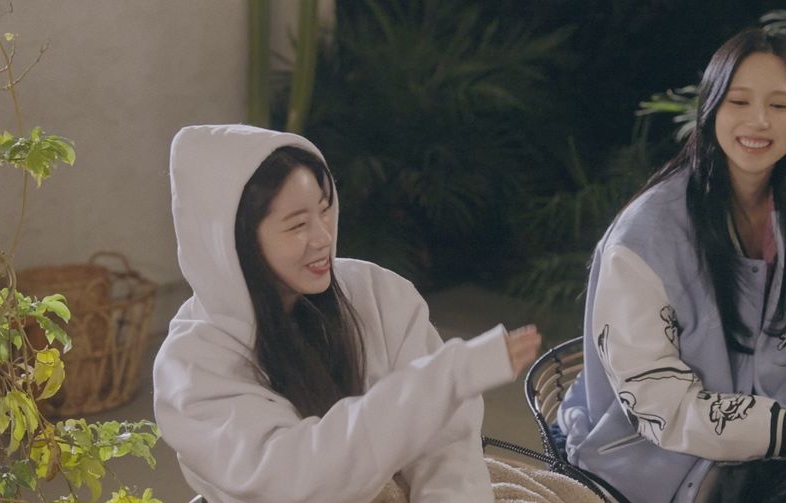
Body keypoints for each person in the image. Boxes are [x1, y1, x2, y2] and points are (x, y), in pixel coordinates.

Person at [557, 29, 786, 502]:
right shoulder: (642, 237)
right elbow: (654, 397)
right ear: (711, 110)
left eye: (779, 105)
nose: (759, 121)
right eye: (739, 101)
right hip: (665, 457)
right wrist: (784, 433)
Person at [153, 124, 541, 502]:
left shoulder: (376, 293)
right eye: (298, 224)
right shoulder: (192, 368)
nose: (323, 238)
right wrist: (450, 376)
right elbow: (302, 479)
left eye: (325, 211)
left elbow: (446, 442)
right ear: (232, 241)